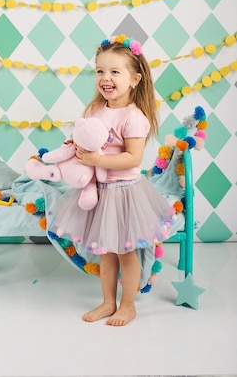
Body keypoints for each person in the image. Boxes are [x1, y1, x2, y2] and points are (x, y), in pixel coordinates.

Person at [48, 35, 174, 327]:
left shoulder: (135, 117)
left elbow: (133, 158)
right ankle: (108, 301)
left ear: (134, 79)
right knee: (106, 252)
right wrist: (77, 147)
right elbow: (90, 143)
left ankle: (127, 305)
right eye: (100, 71)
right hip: (100, 192)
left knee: (125, 251)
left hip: (124, 193)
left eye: (115, 71)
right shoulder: (94, 110)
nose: (105, 77)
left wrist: (98, 160)